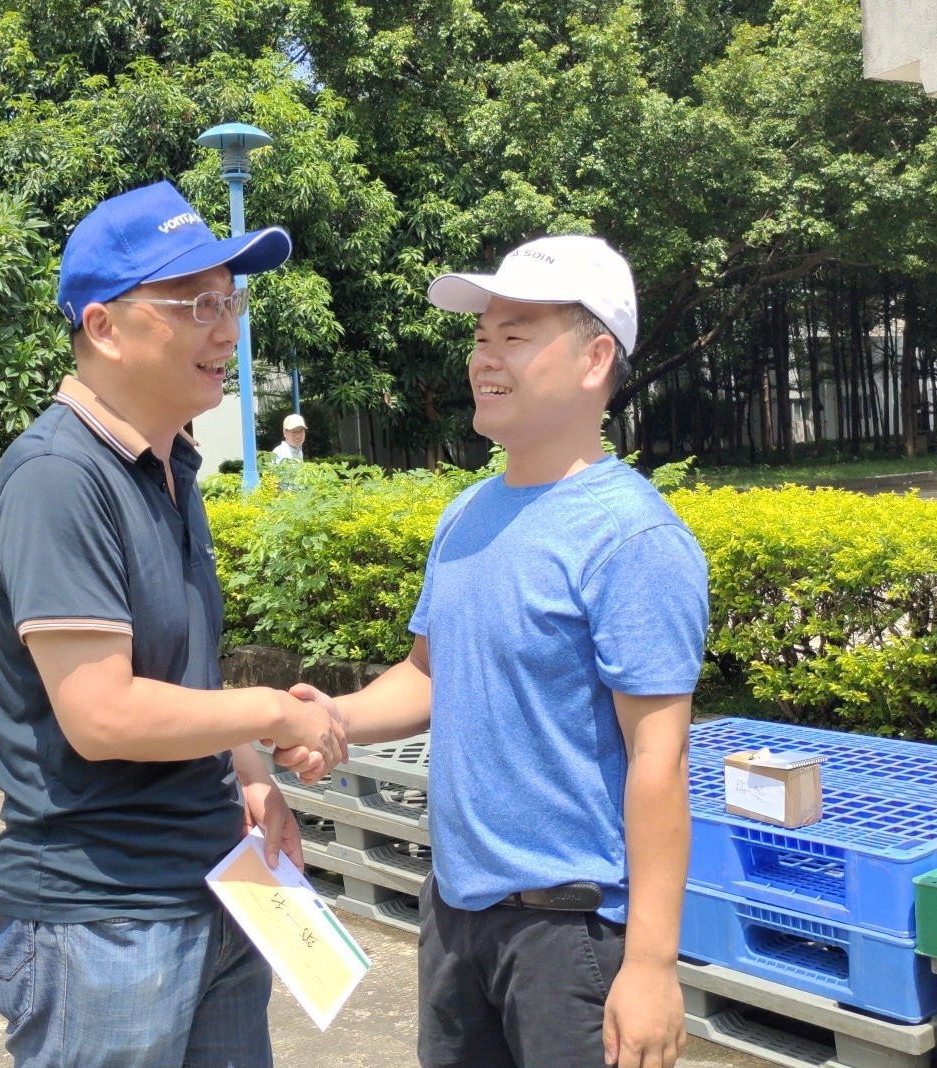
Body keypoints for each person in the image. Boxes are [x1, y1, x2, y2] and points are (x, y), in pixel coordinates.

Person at [294, 235, 709, 1068]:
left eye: (514, 336)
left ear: (595, 359)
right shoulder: (467, 514)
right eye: (481, 336)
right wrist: (330, 717)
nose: (484, 357)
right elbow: (427, 675)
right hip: (455, 914)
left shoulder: (632, 538)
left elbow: (659, 759)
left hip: (570, 936)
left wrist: (651, 965)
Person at [0, 179, 346, 1068]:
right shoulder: (60, 476)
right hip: (103, 921)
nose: (228, 331)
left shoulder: (170, 465)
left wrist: (250, 771)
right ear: (104, 327)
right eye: (197, 305)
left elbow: (181, 672)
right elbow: (102, 716)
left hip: (211, 885)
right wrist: (273, 713)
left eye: (232, 302)